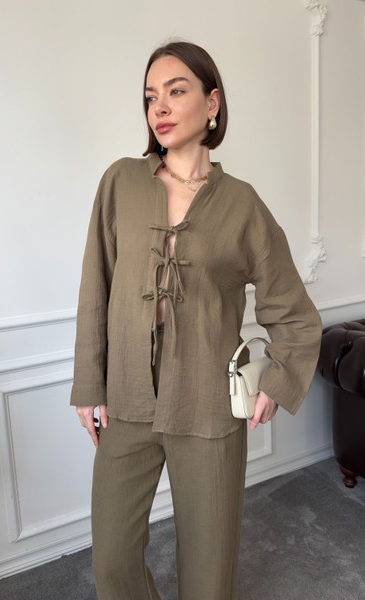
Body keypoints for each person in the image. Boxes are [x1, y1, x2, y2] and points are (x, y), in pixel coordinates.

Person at [70, 41, 322, 600]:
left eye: (176, 91)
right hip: (128, 400)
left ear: (212, 103)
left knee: (209, 574)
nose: (159, 107)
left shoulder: (242, 205)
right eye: (150, 96)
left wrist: (278, 382)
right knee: (112, 561)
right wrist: (89, 386)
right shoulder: (121, 182)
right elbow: (95, 288)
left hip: (208, 407)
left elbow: (294, 312)